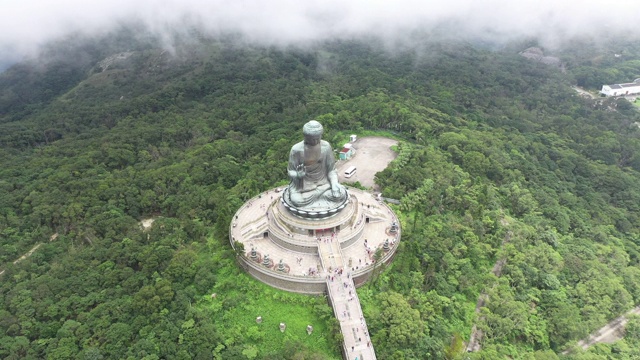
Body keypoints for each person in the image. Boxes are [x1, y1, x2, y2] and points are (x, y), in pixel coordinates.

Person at [285, 120, 347, 209]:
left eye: (318, 138)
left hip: (323, 183)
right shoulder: (296, 150)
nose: (316, 141)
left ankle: (317, 200)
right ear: (305, 137)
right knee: (297, 201)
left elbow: (331, 170)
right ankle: (320, 200)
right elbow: (290, 172)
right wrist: (298, 175)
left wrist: (334, 184)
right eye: (312, 138)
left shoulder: (326, 147)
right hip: (304, 187)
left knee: (341, 194)